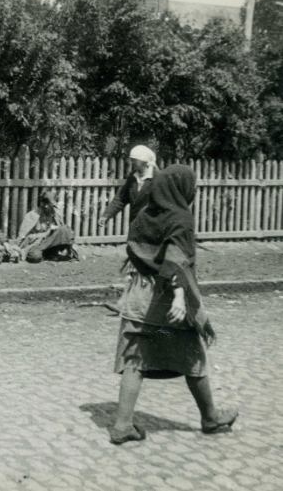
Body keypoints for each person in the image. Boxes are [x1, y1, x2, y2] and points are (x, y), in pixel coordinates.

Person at [110, 164, 238, 445]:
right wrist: (180, 296)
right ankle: (211, 418)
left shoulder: (145, 214)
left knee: (136, 359)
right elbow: (175, 258)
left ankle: (122, 425)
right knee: (192, 355)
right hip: (166, 304)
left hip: (138, 299)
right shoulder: (180, 217)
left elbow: (135, 248)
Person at [98, 144, 158, 228]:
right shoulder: (132, 178)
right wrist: (106, 215)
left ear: (144, 161)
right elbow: (120, 198)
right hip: (135, 225)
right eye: (132, 160)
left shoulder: (158, 178)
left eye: (135, 160)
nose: (132, 162)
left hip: (153, 226)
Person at [16, 191, 78, 263]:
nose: (51, 208)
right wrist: (47, 232)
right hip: (36, 244)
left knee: (65, 229)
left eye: (53, 206)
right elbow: (25, 237)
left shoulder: (55, 214)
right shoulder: (32, 216)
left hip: (50, 244)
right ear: (43, 204)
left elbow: (63, 234)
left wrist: (55, 231)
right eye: (49, 205)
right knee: (35, 257)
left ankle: (68, 255)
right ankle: (47, 254)